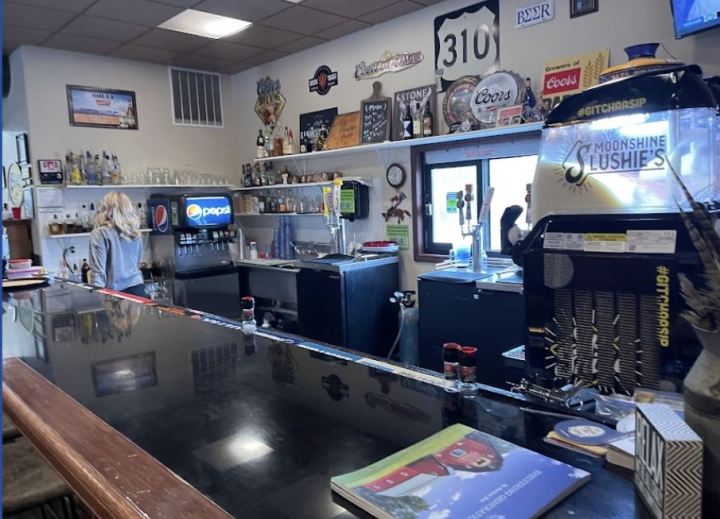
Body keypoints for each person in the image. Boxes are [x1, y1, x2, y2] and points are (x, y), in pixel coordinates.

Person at [88, 191, 146, 297]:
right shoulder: (134, 232)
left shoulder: (100, 233)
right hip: (138, 289)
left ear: (105, 209)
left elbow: (98, 273)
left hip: (115, 295)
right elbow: (137, 264)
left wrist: (95, 299)